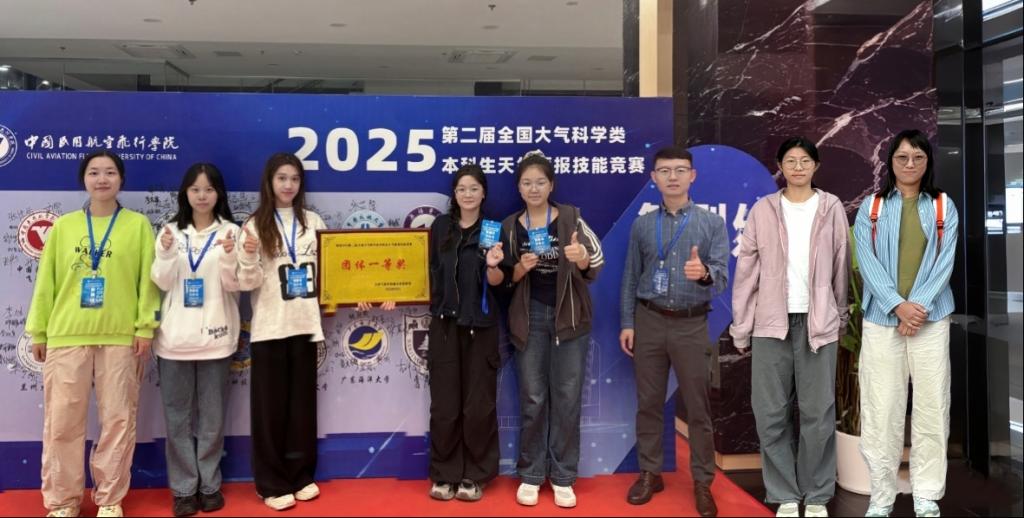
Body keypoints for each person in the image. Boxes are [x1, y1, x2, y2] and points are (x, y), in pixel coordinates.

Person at [27, 150, 161, 518]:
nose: (102, 179)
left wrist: (145, 326)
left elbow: (148, 281)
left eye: (110, 172)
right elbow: (46, 282)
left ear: (121, 179)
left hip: (121, 336)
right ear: (83, 179)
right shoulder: (64, 227)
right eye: (94, 172)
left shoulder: (137, 225)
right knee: (62, 422)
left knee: (118, 419)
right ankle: (63, 501)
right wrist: (39, 330)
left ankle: (110, 499)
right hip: (67, 335)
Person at [730, 138, 850, 518]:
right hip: (770, 324)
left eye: (805, 161)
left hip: (818, 323)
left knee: (818, 413)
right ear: (780, 166)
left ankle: (816, 495)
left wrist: (838, 315)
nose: (798, 167)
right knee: (770, 413)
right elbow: (746, 272)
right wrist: (742, 325)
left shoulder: (831, 207)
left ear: (816, 166)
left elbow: (841, 265)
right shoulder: (763, 209)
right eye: (791, 161)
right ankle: (783, 493)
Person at [619, 146, 729, 517]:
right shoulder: (643, 225)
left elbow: (722, 278)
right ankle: (650, 473)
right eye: (664, 171)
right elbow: (630, 277)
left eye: (680, 170)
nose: (672, 177)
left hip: (691, 324)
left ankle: (702, 482)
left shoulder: (711, 224)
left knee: (697, 407)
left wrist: (705, 274)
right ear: (654, 178)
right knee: (648, 403)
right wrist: (628, 322)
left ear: (692, 176)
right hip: (648, 321)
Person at [854, 130, 958, 518]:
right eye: (902, 157)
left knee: (932, 407)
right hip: (882, 321)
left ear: (928, 161)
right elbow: (867, 262)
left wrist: (918, 308)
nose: (910, 164)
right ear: (891, 162)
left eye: (918, 157)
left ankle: (926, 494)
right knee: (881, 409)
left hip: (931, 320)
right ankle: (881, 496)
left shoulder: (943, 205)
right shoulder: (872, 207)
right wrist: (898, 306)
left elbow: (945, 261)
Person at [500, 151, 604, 509]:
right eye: (527, 183)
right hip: (528, 317)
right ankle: (531, 474)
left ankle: (562, 476)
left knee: (567, 397)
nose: (534, 188)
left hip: (568, 318)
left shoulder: (571, 218)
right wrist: (520, 268)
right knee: (532, 398)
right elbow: (503, 280)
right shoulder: (510, 225)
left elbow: (597, 262)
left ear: (551, 185)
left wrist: (581, 258)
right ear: (518, 188)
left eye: (540, 182)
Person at [237, 152, 327, 511]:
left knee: (302, 409)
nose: (288, 185)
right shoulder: (254, 225)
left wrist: (352, 293)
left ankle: (301, 475)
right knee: (269, 412)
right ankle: (271, 484)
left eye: (294, 179)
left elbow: (330, 271)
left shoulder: (313, 221)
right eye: (282, 178)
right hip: (269, 329)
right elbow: (247, 282)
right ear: (269, 182)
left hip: (305, 326)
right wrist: (248, 256)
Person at [151, 163, 241, 517]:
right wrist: (166, 253)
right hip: (174, 340)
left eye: (209, 189)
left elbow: (234, 285)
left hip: (217, 338)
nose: (202, 196)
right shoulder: (170, 231)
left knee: (212, 418)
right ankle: (184, 489)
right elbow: (161, 282)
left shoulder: (231, 231)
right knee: (177, 419)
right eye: (195, 189)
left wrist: (231, 254)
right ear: (185, 193)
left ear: (219, 193)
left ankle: (209, 485)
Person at [426, 164, 505, 502]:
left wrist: (493, 266)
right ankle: (445, 474)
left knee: (478, 407)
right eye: (462, 189)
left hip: (480, 328)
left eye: (474, 188)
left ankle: (475, 474)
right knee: (445, 406)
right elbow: (429, 271)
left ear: (483, 193)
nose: (468, 194)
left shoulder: (493, 229)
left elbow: (499, 283)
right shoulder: (441, 227)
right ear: (454, 194)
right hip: (445, 326)